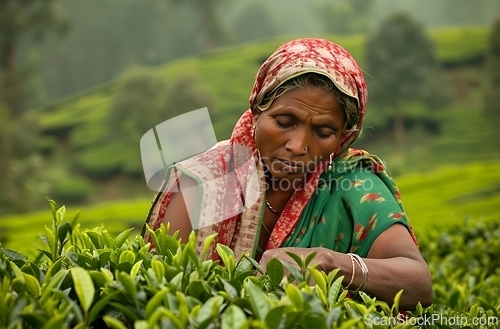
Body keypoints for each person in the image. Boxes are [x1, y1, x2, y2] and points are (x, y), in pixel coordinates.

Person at [143, 38, 433, 310]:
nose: (298, 146)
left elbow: (418, 283)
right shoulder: (201, 183)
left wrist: (332, 263)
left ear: (343, 138)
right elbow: (157, 294)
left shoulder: (353, 184)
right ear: (256, 111)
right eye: (284, 122)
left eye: (323, 132)